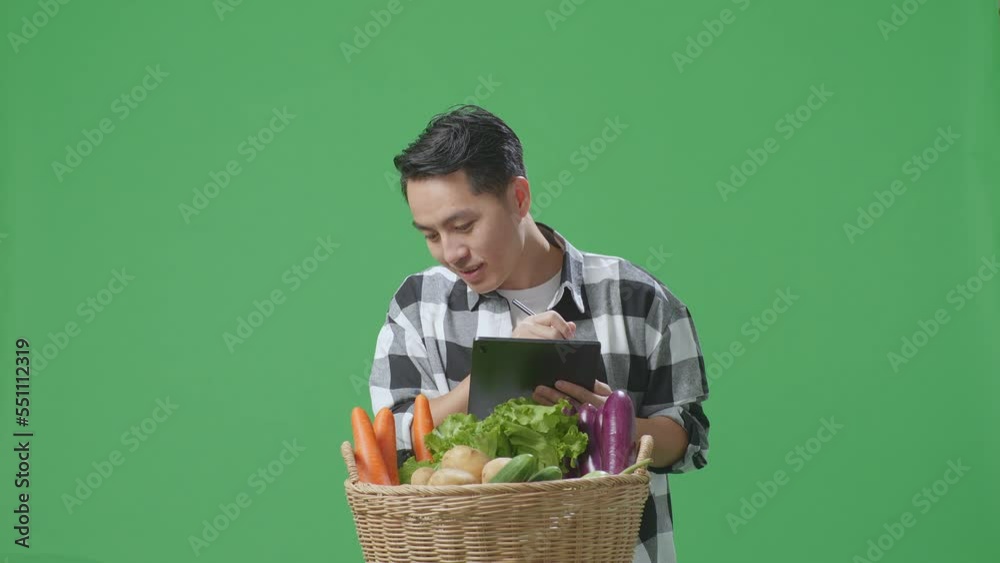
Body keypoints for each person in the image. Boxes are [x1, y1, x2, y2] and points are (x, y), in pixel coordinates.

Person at [369, 105, 710, 563]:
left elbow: (686, 441)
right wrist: (497, 371)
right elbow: (389, 445)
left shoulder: (636, 297)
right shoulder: (419, 305)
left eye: (463, 225)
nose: (451, 252)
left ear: (519, 198)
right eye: (431, 235)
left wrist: (613, 419)